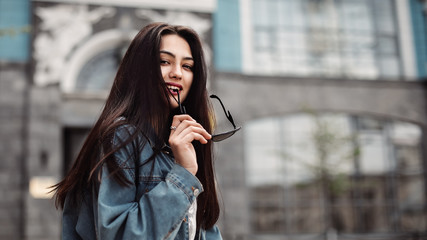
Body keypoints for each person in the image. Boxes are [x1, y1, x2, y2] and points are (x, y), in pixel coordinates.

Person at [52, 22, 223, 239]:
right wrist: (183, 175)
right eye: (164, 62)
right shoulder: (120, 137)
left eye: (187, 66)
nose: (177, 73)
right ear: (141, 69)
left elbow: (203, 228)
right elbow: (120, 234)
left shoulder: (183, 144)